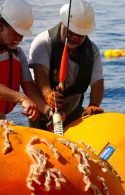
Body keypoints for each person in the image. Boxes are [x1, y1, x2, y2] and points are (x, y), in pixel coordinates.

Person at [29, 0, 104, 129]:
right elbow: (40, 73)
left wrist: (94, 104)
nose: (74, 38)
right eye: (71, 33)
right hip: (44, 111)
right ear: (63, 22)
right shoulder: (43, 42)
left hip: (73, 109)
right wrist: (47, 94)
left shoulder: (92, 50)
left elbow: (97, 82)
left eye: (80, 36)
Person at [0, 0, 51, 121]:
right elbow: (23, 96)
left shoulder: (18, 54)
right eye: (16, 33)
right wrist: (21, 98)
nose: (19, 38)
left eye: (22, 34)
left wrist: (48, 111)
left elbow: (28, 86)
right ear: (0, 26)